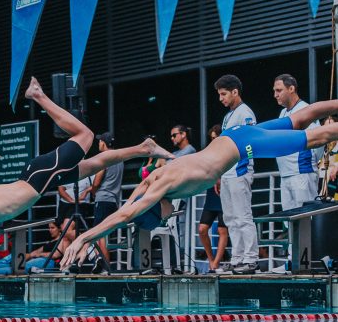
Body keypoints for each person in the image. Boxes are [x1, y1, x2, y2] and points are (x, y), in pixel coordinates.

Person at [0, 77, 174, 256]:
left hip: (38, 179)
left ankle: (38, 95)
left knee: (85, 136)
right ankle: (142, 148)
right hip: (36, 178)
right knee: (95, 162)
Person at [60, 99, 338, 271]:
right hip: (234, 137)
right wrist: (91, 237)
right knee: (300, 118)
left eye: (162, 216)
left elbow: (125, 214)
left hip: (242, 145)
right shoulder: (150, 183)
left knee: (314, 136)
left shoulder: (160, 187)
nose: (169, 216)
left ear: (157, 209)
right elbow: (129, 207)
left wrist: (85, 238)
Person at [215, 74, 258, 275]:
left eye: (224, 94)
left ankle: (251, 259)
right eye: (219, 95)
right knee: (231, 218)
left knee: (243, 216)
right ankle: (237, 257)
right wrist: (220, 174)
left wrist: (244, 165)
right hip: (228, 173)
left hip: (240, 171)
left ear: (235, 92)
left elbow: (251, 144)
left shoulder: (245, 113)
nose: (221, 98)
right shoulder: (227, 117)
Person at [273, 74, 321, 210]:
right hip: (286, 173)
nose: (275, 95)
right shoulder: (283, 113)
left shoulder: (305, 109)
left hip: (302, 173)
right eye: (274, 91)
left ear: (291, 88)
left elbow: (318, 141)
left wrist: (311, 164)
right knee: (291, 222)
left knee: (307, 217)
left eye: (279, 90)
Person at [0, 221, 70, 274]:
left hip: (50, 262)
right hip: (41, 259)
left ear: (60, 229)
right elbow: (34, 253)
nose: (50, 230)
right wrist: (28, 255)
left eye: (52, 228)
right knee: (16, 260)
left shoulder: (63, 240)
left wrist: (37, 254)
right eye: (49, 228)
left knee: (20, 268)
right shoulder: (50, 242)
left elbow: (57, 254)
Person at [90, 132, 123, 272]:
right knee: (105, 235)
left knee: (99, 234)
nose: (98, 143)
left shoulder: (104, 157)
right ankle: (105, 266)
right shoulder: (120, 159)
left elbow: (97, 181)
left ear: (104, 143)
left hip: (102, 199)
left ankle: (104, 267)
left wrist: (92, 191)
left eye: (99, 141)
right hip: (113, 201)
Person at [198, 125, 229, 273]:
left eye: (216, 138)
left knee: (223, 229)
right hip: (212, 192)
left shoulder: (229, 152)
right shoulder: (209, 153)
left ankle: (215, 263)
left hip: (225, 191)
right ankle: (211, 259)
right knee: (202, 229)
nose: (214, 141)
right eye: (212, 139)